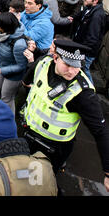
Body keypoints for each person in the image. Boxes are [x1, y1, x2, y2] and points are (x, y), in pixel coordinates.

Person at [22, 39, 109, 192]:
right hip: (28, 133)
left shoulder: (83, 94)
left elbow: (100, 131)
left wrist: (108, 171)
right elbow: (27, 81)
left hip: (52, 147)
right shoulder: (43, 63)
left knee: (36, 183)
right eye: (67, 64)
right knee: (23, 171)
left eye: (77, 66)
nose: (72, 71)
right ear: (55, 58)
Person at [0, 12, 28, 113]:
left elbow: (21, 66)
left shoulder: (19, 44)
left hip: (13, 76)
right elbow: (1, 43)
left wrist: (0, 70)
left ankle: (8, 124)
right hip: (1, 66)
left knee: (6, 99)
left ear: (4, 26)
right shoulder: (2, 33)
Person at [71, 0, 106, 83]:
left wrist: (83, 50)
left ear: (95, 1)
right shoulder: (89, 8)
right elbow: (82, 16)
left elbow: (93, 36)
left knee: (84, 70)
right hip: (82, 47)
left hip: (87, 50)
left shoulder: (97, 15)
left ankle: (91, 90)